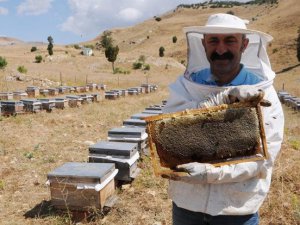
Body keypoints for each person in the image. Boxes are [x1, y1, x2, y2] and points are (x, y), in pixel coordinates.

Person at [162, 13, 284, 225]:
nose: (221, 49)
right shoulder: (186, 87)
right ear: (203, 44)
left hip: (236, 210)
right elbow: (167, 134)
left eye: (230, 40)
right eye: (213, 40)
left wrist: (211, 173)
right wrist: (222, 99)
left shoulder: (263, 92)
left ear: (244, 45)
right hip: (187, 206)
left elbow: (263, 158)